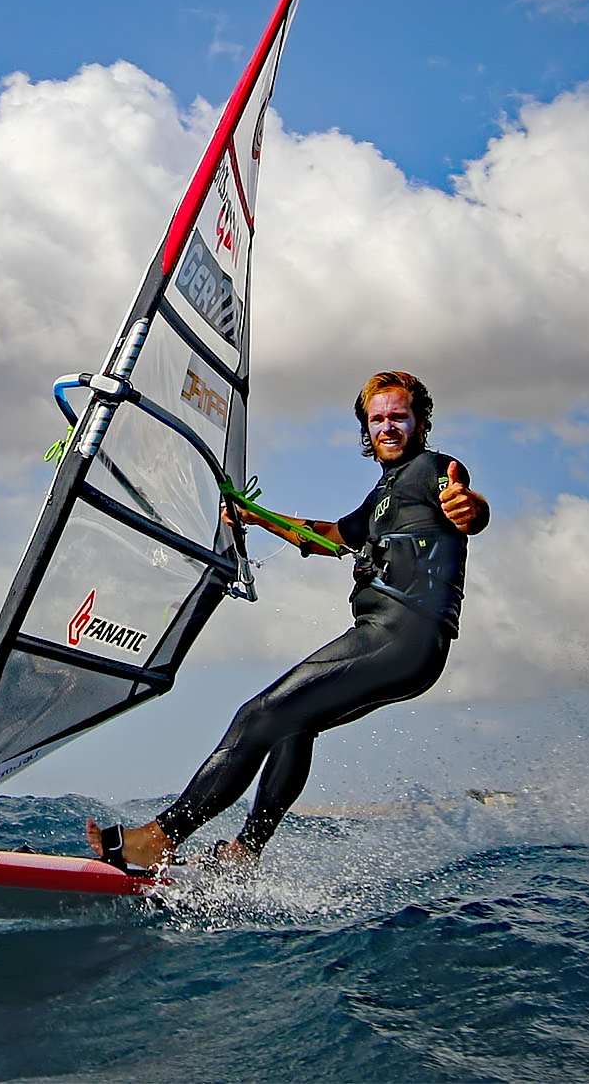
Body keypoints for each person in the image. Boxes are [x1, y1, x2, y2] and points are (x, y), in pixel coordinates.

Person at [88, 370, 488, 873]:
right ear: (366, 428)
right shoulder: (384, 495)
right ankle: (244, 852)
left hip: (402, 633)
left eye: (399, 417)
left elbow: (469, 507)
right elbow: (325, 537)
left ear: (421, 424)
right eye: (377, 419)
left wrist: (468, 508)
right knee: (292, 728)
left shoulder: (434, 469)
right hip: (405, 645)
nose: (388, 427)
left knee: (258, 716)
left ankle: (162, 837)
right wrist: (257, 517)